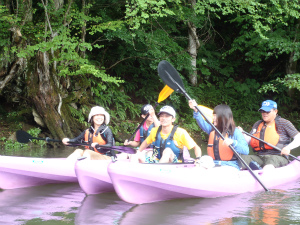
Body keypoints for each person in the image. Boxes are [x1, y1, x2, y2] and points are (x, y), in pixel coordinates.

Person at [239, 100, 300, 170]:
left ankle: (264, 172)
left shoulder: (284, 123)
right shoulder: (257, 124)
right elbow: (249, 140)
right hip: (259, 156)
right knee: (241, 159)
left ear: (275, 111)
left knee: (270, 162)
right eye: (262, 111)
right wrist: (242, 134)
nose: (264, 113)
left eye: (267, 111)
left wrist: (288, 148)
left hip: (277, 156)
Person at [189, 100, 249, 170]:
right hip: (213, 164)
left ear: (223, 118)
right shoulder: (212, 130)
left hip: (230, 166)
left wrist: (233, 142)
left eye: (215, 116)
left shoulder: (235, 132)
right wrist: (196, 110)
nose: (213, 118)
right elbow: (202, 123)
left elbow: (246, 150)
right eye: (213, 116)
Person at [137, 105, 202, 163]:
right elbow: (145, 143)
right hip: (157, 161)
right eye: (162, 116)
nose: (164, 118)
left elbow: (196, 148)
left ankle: (157, 171)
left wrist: (198, 159)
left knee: (167, 151)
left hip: (174, 164)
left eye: (167, 116)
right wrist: (138, 152)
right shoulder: (155, 131)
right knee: (135, 155)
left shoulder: (181, 132)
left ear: (173, 119)